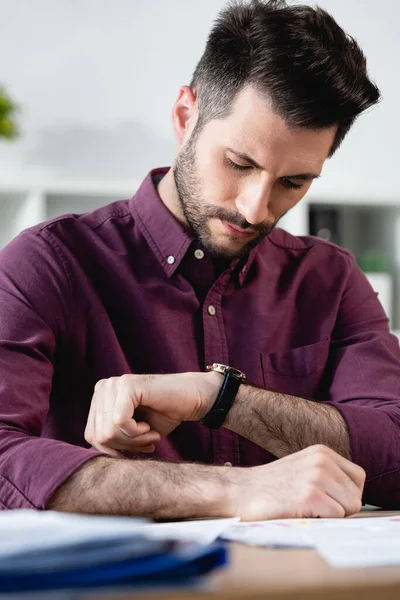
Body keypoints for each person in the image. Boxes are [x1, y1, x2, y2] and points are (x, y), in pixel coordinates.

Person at [1, 0, 399, 521]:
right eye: (239, 163)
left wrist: (219, 397)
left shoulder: (332, 279)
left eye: (293, 182)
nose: (256, 207)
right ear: (185, 117)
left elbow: (394, 447)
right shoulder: (47, 263)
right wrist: (230, 490)